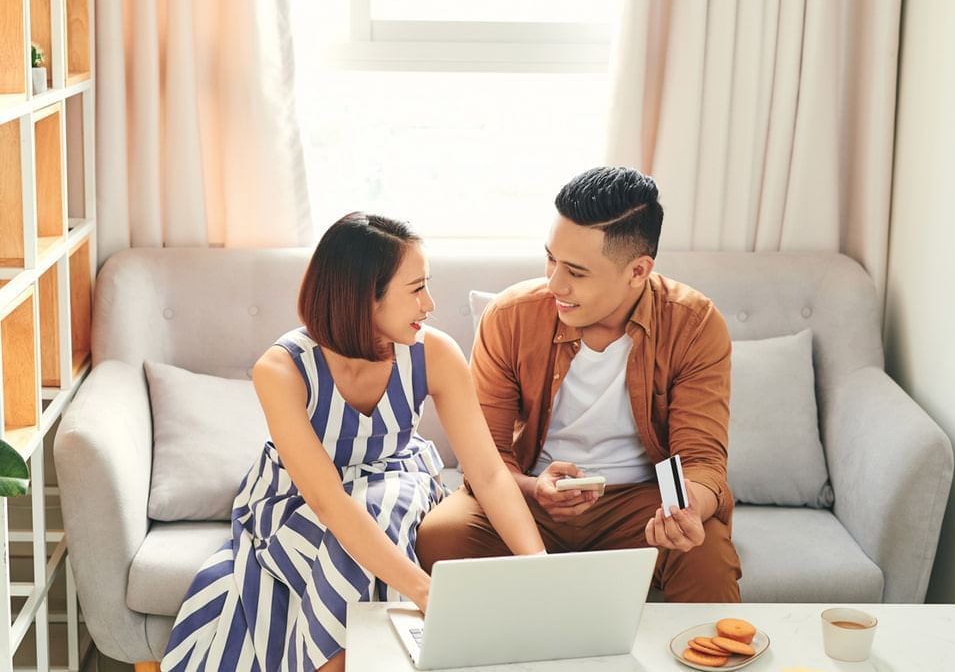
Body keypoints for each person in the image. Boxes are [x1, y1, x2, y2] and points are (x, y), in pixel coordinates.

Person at [161, 213, 545, 672]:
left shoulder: (434, 352)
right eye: (416, 289)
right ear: (366, 297)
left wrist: (538, 570)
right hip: (298, 499)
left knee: (384, 503)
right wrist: (426, 592)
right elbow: (327, 501)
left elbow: (486, 473)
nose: (431, 304)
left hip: (396, 479)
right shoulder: (281, 369)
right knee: (362, 521)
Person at [416, 166, 742, 602]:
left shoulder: (694, 324)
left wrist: (684, 512)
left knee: (706, 555)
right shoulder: (510, 317)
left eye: (576, 271)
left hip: (641, 506)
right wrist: (536, 490)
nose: (555, 283)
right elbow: (485, 456)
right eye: (551, 258)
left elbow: (702, 460)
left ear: (638, 270)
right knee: (442, 536)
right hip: (530, 500)